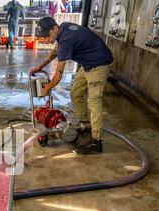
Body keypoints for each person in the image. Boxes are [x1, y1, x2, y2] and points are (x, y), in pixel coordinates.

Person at [30, 17, 114, 154]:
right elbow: (54, 53)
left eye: (47, 35)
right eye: (43, 36)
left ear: (55, 29)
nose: (46, 39)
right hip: (88, 63)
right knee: (75, 92)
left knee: (94, 101)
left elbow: (58, 76)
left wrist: (46, 89)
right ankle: (86, 124)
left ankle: (97, 142)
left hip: (99, 63)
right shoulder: (63, 29)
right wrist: (40, 67)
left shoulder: (66, 40)